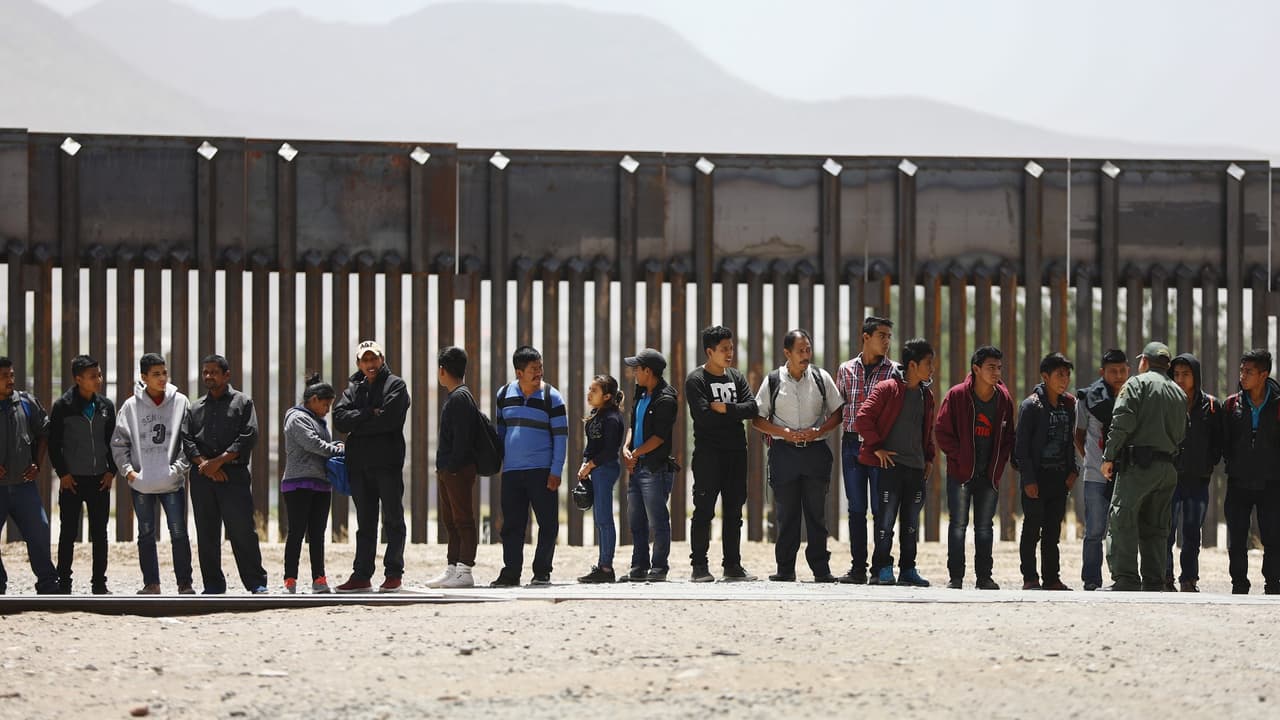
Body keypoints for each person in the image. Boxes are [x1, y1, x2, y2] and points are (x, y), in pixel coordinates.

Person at [752, 329, 844, 583]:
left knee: (817, 515)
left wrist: (820, 431)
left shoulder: (821, 377)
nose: (805, 355)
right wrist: (783, 433)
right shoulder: (773, 381)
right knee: (786, 515)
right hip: (784, 454)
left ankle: (821, 570)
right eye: (800, 351)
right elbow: (757, 418)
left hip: (816, 453)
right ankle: (785, 570)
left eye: (808, 350)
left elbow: (838, 411)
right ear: (787, 353)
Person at [1100, 342, 1187, 592]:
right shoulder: (1179, 393)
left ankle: (1126, 578)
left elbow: (1121, 422)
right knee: (1156, 526)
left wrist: (1109, 457)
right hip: (1167, 468)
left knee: (1123, 519)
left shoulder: (1136, 384)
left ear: (1145, 362)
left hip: (1138, 466)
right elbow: (1182, 433)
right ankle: (1154, 580)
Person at [183, 354, 268, 594]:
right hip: (203, 477)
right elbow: (187, 440)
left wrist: (218, 462)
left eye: (214, 372)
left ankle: (256, 583)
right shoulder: (195, 407)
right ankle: (213, 585)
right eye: (205, 372)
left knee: (242, 531)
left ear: (226, 375)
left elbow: (248, 436)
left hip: (234, 476)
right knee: (206, 533)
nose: (208, 376)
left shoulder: (243, 402)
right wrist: (206, 466)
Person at [111, 353, 195, 595]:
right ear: (144, 377)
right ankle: (151, 584)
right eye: (156, 374)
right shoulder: (130, 406)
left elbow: (188, 442)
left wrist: (176, 470)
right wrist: (129, 473)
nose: (162, 378)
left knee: (178, 533)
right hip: (142, 484)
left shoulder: (180, 402)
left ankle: (185, 584)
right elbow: (119, 443)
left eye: (164, 373)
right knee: (145, 533)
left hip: (172, 483)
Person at [857, 338, 937, 587]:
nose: (932, 368)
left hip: (916, 468)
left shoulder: (926, 395)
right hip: (890, 468)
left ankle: (908, 570)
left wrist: (929, 458)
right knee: (885, 522)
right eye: (928, 363)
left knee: (911, 524)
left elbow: (928, 430)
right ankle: (882, 568)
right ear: (912, 365)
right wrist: (877, 447)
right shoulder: (887, 388)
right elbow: (862, 418)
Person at [332, 340, 411, 593]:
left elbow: (389, 420)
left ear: (382, 359)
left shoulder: (396, 385)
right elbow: (339, 420)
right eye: (365, 360)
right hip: (359, 466)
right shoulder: (353, 388)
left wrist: (357, 423)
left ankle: (394, 573)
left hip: (387, 464)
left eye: (373, 358)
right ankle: (362, 575)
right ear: (358, 363)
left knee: (393, 519)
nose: (370, 364)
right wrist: (368, 413)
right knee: (365, 523)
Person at [934, 345, 1014, 590]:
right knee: (958, 525)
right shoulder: (957, 395)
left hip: (988, 475)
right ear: (976, 369)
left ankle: (984, 577)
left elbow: (1009, 437)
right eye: (991, 367)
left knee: (985, 527)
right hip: (961, 474)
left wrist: (998, 467)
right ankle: (956, 577)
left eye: (999, 368)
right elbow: (941, 431)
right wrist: (959, 457)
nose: (996, 372)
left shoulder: (1004, 399)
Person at [685, 325, 759, 583]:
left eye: (731, 348)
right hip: (709, 455)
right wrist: (734, 413)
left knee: (734, 512)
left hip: (736, 453)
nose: (730, 353)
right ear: (710, 351)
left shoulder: (736, 377)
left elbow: (752, 408)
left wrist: (726, 409)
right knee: (704, 510)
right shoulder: (696, 380)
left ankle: (732, 566)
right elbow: (703, 418)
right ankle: (699, 566)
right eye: (724, 349)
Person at [491, 346, 568, 587]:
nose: (539, 372)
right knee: (512, 526)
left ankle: (542, 571)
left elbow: (561, 436)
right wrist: (499, 463)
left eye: (540, 367)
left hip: (542, 471)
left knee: (548, 524)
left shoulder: (552, 397)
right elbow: (500, 432)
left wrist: (556, 470)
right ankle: (511, 573)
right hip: (512, 472)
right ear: (519, 372)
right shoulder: (503, 394)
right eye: (533, 369)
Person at [835, 316, 900, 584]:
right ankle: (858, 569)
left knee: (881, 509)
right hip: (851, 445)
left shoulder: (896, 371)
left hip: (881, 447)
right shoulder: (845, 369)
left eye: (889, 337)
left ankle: (880, 568)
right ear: (866, 337)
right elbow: (839, 408)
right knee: (856, 509)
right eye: (882, 335)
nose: (886, 341)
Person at [48, 355, 117, 595]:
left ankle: (99, 584)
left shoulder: (106, 406)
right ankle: (64, 584)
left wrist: (111, 471)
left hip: (99, 480)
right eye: (92, 376)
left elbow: (114, 442)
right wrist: (63, 474)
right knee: (68, 533)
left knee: (100, 534)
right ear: (78, 379)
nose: (98, 379)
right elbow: (54, 445)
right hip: (72, 481)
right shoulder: (62, 406)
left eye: (99, 374)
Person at [1012, 353, 1078, 591]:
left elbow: (1070, 441)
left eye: (1067, 375)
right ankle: (1030, 578)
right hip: (1036, 478)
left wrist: (1073, 470)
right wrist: (1028, 479)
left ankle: (1052, 578)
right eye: (1059, 374)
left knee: (1052, 531)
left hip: (1059, 479)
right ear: (1045, 376)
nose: (1064, 379)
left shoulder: (1069, 404)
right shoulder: (1031, 406)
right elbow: (1021, 448)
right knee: (1032, 529)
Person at [1220, 348, 1280, 595]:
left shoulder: (1278, 405)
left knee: (1273, 536)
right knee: (1236, 537)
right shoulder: (1231, 404)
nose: (1242, 376)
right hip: (1238, 481)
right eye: (1242, 370)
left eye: (1249, 372)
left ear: (1264, 375)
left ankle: (1273, 584)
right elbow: (1224, 440)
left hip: (1271, 482)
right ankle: (1239, 584)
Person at [281, 372, 344, 594]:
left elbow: (322, 445)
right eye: (325, 405)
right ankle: (290, 580)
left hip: (321, 484)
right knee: (296, 533)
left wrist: (334, 446)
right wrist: (337, 449)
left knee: (317, 535)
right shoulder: (296, 418)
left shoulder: (318, 421)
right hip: (298, 484)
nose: (327, 410)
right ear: (314, 400)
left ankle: (319, 579)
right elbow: (312, 444)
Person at [1166, 353, 1224, 593]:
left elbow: (1218, 441)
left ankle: (1188, 579)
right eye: (1176, 374)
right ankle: (1165, 577)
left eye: (1186, 374)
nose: (1180, 379)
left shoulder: (1211, 405)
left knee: (1191, 532)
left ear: (1196, 376)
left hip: (1198, 480)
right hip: (1169, 478)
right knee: (1166, 531)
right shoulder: (1166, 402)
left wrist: (1208, 462)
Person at [0, 356, 58, 595]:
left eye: (12, 375)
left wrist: (37, 463)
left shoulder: (25, 402)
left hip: (24, 486)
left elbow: (44, 432)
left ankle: (48, 584)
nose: (10, 380)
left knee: (39, 532)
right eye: (4, 376)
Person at [621, 348, 680, 582]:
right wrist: (626, 448)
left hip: (654, 469)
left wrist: (634, 454)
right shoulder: (641, 393)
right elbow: (633, 424)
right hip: (637, 467)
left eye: (637, 369)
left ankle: (659, 567)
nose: (634, 373)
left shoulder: (666, 399)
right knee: (636, 521)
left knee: (658, 520)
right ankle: (639, 566)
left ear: (648, 371)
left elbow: (659, 437)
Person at [1074, 348, 1130, 591]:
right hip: (1095, 476)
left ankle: (1123, 577)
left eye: (1122, 370)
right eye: (1112, 371)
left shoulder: (1134, 396)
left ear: (1128, 370)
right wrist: (1092, 460)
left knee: (1123, 530)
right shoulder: (1087, 398)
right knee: (1095, 531)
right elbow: (1078, 435)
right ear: (1102, 372)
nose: (1118, 376)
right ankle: (1091, 580)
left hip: (1126, 475)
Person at [427, 346, 481, 589]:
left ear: (442, 370)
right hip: (449, 470)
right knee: (451, 521)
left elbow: (462, 439)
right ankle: (453, 567)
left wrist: (452, 468)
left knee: (463, 521)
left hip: (457, 470)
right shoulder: (458, 395)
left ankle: (465, 570)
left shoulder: (460, 398)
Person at [577, 374, 625, 584]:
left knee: (604, 519)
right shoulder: (595, 414)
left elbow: (609, 450)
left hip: (605, 469)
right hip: (595, 468)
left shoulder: (612, 418)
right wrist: (585, 464)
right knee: (599, 518)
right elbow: (592, 446)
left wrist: (590, 465)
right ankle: (602, 565)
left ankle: (606, 568)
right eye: (589, 389)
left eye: (594, 390)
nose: (589, 393)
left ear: (607, 396)